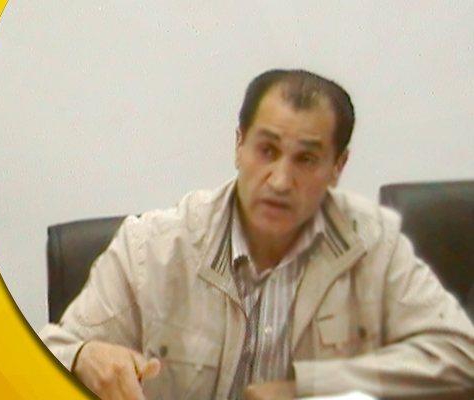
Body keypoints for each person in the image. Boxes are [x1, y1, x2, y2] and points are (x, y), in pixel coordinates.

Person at [38, 69, 474, 400]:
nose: (280, 181)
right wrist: (82, 356)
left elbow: (461, 356)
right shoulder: (152, 248)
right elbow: (44, 354)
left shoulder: (371, 251)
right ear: (239, 146)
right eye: (267, 151)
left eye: (306, 159)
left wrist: (311, 387)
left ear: (337, 168)